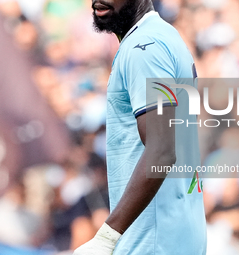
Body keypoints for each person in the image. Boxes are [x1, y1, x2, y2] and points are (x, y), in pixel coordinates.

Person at [73, 0, 207, 254]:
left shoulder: (143, 48)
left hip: (153, 243)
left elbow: (162, 151)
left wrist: (106, 237)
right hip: (177, 237)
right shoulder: (164, 36)